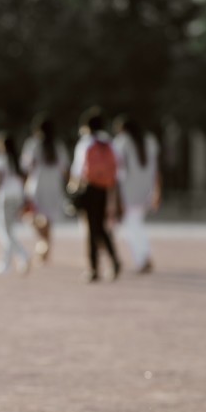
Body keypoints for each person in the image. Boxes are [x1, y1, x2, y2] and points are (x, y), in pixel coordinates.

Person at [70, 106, 121, 282]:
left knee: (91, 229)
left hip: (89, 187)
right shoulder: (109, 142)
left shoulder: (86, 142)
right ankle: (114, 259)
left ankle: (93, 268)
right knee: (100, 226)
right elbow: (117, 169)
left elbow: (78, 170)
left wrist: (73, 189)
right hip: (105, 188)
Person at [112, 116, 160, 274]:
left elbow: (117, 171)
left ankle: (143, 258)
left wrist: (115, 194)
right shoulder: (150, 141)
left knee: (132, 226)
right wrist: (157, 191)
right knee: (135, 224)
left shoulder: (122, 142)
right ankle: (142, 257)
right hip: (146, 190)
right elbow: (156, 170)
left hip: (128, 190)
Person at [20, 114, 69, 264]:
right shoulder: (58, 145)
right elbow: (65, 168)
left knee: (32, 217)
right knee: (48, 220)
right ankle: (45, 245)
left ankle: (43, 244)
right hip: (54, 185)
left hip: (37, 185)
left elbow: (25, 165)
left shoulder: (33, 144)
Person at [0, 132, 30, 275]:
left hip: (4, 197)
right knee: (9, 230)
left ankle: (13, 259)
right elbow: (24, 180)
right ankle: (10, 260)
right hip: (17, 196)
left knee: (4, 231)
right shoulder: (20, 160)